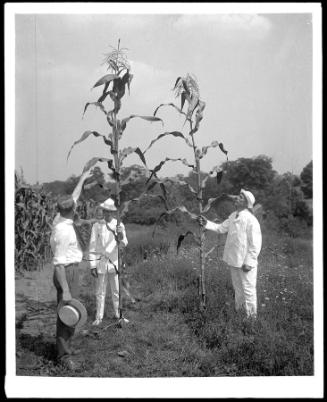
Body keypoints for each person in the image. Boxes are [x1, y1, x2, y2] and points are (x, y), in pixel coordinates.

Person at [50, 170, 92, 369]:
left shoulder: (60, 218)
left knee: (69, 310)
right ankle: (64, 356)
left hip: (70, 270)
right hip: (67, 272)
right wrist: (66, 288)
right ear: (73, 210)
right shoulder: (64, 231)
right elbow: (58, 263)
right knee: (67, 310)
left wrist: (83, 178)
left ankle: (65, 348)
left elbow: (73, 197)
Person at [197, 189, 262, 318]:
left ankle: (251, 320)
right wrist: (206, 223)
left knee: (248, 291)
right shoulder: (233, 216)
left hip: (245, 262)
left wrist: (249, 261)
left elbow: (255, 243)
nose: (237, 198)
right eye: (238, 196)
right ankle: (240, 313)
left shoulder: (251, 220)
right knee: (238, 290)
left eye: (241, 197)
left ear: (246, 203)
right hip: (234, 260)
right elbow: (221, 228)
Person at [89, 197, 128, 325]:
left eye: (109, 211)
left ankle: (119, 315)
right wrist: (92, 265)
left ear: (113, 212)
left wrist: (120, 234)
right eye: (105, 211)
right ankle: (99, 317)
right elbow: (92, 246)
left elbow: (124, 243)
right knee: (100, 292)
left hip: (115, 263)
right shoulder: (96, 226)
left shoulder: (119, 225)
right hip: (101, 263)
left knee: (116, 291)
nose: (107, 213)